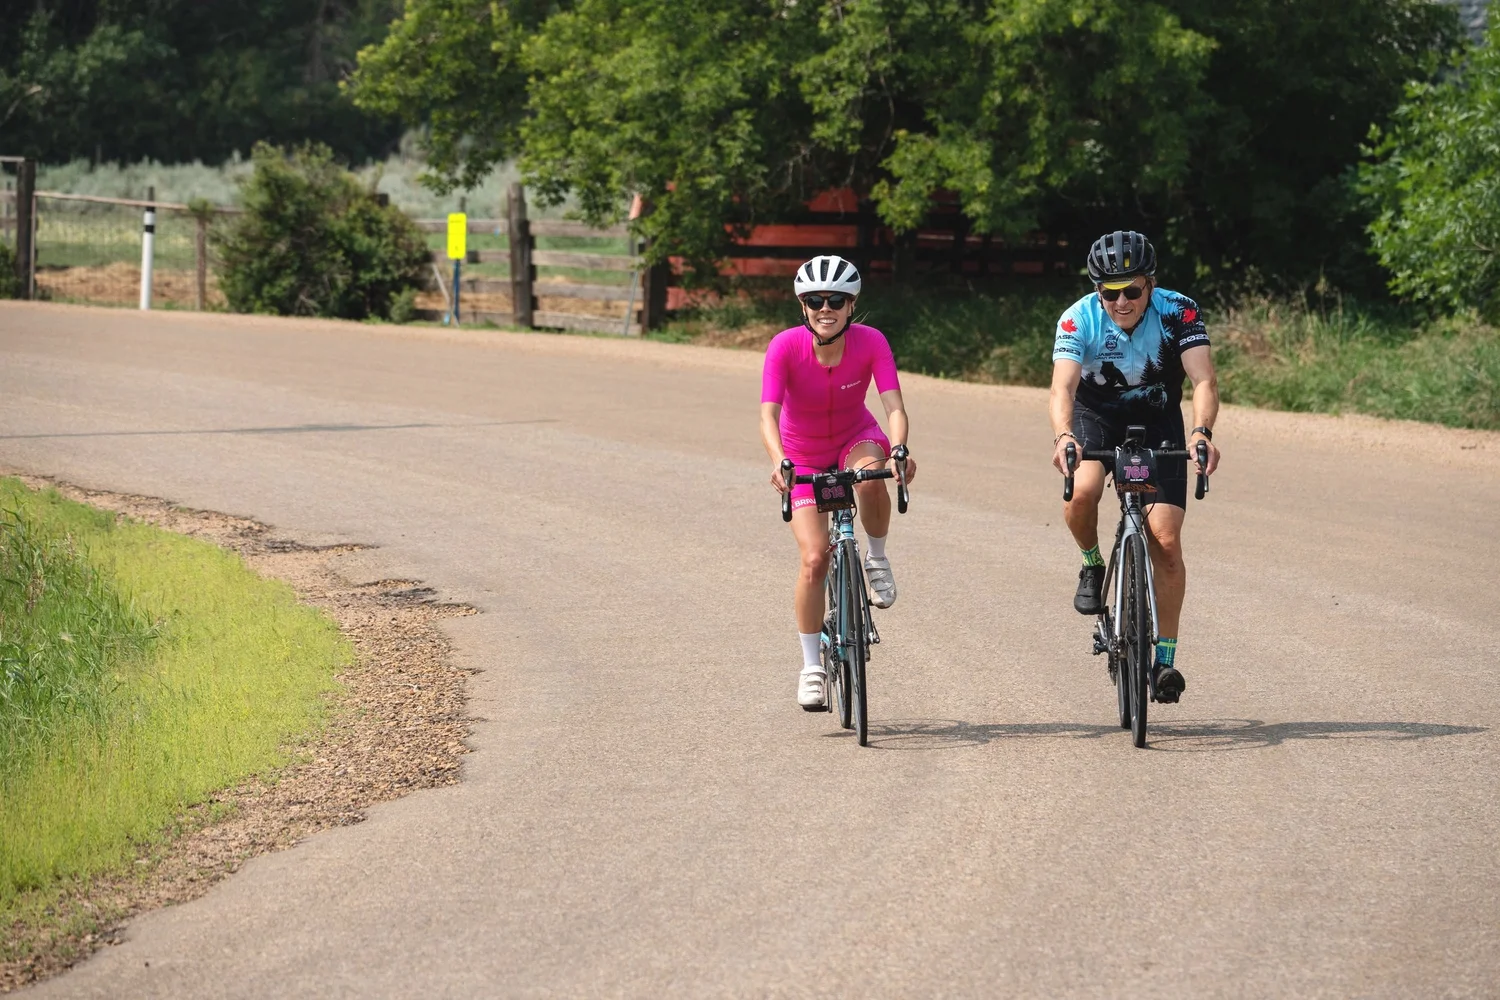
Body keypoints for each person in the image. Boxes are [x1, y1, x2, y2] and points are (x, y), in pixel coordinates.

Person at [1049, 231, 1220, 703]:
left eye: (1132, 290)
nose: (1121, 301)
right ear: (1096, 290)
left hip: (1158, 416)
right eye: (1110, 292)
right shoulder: (1077, 318)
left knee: (1165, 542)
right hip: (1095, 417)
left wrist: (1202, 433)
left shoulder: (1178, 310)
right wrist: (1064, 435)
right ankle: (1091, 562)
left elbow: (1203, 379)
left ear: (1151, 284)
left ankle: (1164, 658)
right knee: (1082, 492)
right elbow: (1062, 388)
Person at [761, 255, 916, 710]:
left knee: (871, 478)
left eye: (835, 300)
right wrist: (780, 461)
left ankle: (877, 558)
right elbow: (767, 414)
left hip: (856, 438)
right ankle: (812, 666)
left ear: (852, 304)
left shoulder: (871, 342)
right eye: (814, 300)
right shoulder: (785, 347)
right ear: (802, 305)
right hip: (802, 454)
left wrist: (901, 448)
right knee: (813, 560)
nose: (824, 308)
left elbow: (894, 406)